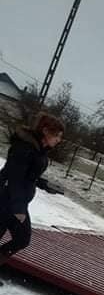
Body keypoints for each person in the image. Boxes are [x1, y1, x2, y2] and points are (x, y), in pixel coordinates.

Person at [0, 113, 65, 274]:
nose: (58, 140)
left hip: (14, 201)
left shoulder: (39, 149)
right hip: (5, 199)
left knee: (22, 239)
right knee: (21, 238)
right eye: (57, 136)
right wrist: (19, 208)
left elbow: (28, 175)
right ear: (45, 131)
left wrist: (44, 184)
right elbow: (14, 178)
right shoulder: (24, 148)